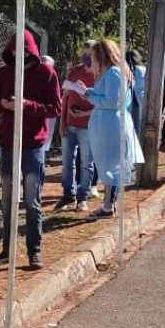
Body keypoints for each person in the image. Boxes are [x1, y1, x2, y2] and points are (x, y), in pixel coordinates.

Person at [0, 30, 62, 270]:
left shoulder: (46, 73)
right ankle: (7, 250)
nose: (17, 56)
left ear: (31, 52)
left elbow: (55, 108)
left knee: (32, 200)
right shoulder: (3, 72)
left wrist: (26, 104)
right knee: (8, 200)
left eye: (22, 52)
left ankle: (34, 251)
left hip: (33, 145)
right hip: (9, 143)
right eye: (12, 52)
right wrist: (3, 104)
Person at [79, 39, 144, 219]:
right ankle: (108, 204)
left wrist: (90, 97)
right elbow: (107, 95)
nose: (91, 60)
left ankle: (108, 206)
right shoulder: (110, 72)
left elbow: (112, 101)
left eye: (93, 56)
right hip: (105, 125)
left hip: (110, 125)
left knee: (111, 166)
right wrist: (91, 92)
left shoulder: (114, 72)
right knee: (107, 165)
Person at [55, 41, 97, 212]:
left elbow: (102, 103)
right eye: (84, 53)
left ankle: (82, 197)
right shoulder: (75, 71)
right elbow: (65, 96)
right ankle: (68, 196)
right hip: (70, 124)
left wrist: (85, 93)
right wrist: (62, 121)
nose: (86, 57)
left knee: (86, 163)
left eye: (90, 54)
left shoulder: (101, 75)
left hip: (88, 126)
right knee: (67, 162)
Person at [127, 49, 146, 137]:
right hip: (138, 98)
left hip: (133, 98)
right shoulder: (143, 69)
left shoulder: (140, 69)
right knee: (137, 123)